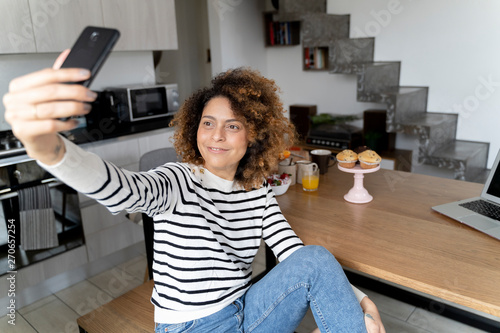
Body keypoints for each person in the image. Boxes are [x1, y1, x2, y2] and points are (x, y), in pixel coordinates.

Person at [3, 50, 385, 333]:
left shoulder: (257, 189)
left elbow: (293, 252)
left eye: (233, 126)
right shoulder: (177, 180)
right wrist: (47, 147)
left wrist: (360, 299)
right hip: (194, 326)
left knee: (317, 262)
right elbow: (123, 190)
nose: (217, 135)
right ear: (194, 129)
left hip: (247, 308)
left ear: (253, 136)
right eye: (208, 123)